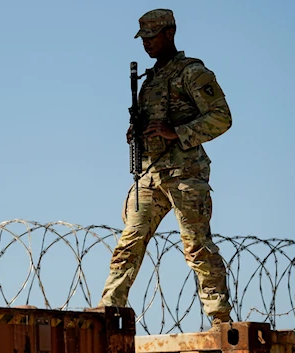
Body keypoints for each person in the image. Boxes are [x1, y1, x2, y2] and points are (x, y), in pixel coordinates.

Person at [97, 8, 233, 327]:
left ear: (169, 34)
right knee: (129, 241)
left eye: (151, 37)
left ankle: (220, 319)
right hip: (151, 173)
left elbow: (222, 117)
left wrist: (178, 132)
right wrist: (138, 132)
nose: (146, 44)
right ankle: (110, 304)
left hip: (185, 174)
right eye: (143, 38)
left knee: (196, 246)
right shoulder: (150, 81)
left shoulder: (192, 73)